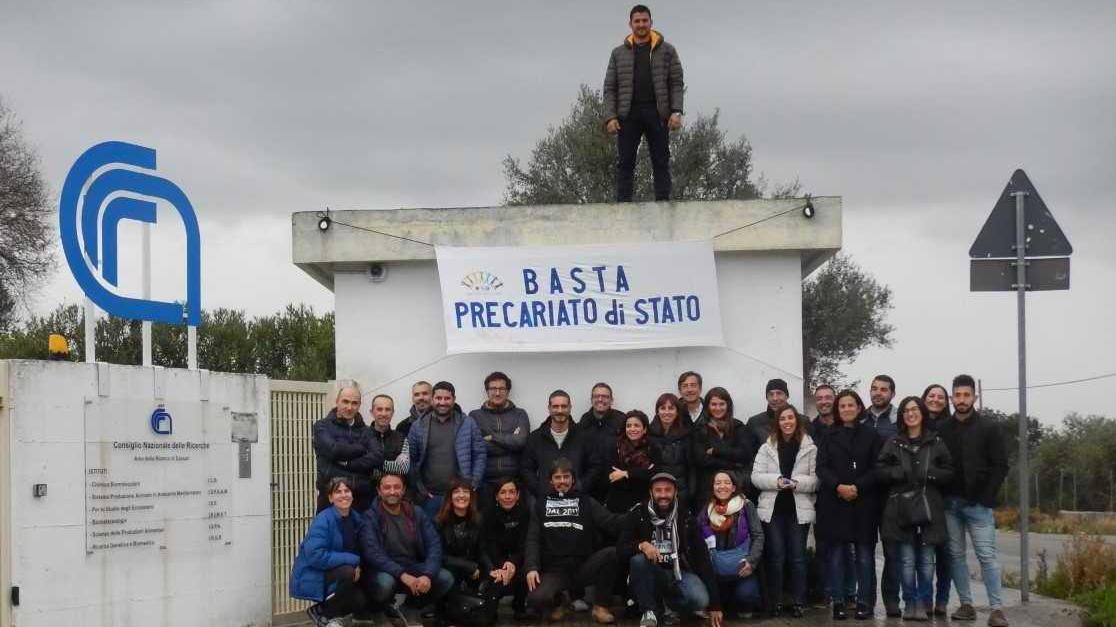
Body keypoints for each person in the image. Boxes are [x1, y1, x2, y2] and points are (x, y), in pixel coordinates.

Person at [938, 375, 1010, 627]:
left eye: (966, 395)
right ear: (951, 398)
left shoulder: (989, 428)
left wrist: (986, 498)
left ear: (974, 397)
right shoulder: (942, 429)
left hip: (978, 505)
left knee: (986, 556)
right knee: (955, 555)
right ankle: (966, 604)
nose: (961, 400)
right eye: (957, 395)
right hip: (950, 505)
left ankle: (997, 609)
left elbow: (1001, 465)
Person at [876, 397, 954, 621]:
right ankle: (909, 602)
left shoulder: (935, 442)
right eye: (906, 410)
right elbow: (879, 470)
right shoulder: (893, 442)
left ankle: (923, 601)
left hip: (929, 508)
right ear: (902, 415)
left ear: (922, 413)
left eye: (915, 409)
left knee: (927, 561)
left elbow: (949, 471)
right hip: (902, 509)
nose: (911, 414)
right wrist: (896, 473)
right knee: (907, 560)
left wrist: (930, 474)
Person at [524, 458, 624, 624]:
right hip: (555, 570)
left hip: (583, 566)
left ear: (573, 479)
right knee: (536, 600)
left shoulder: (587, 501)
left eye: (566, 476)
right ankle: (560, 602)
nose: (562, 481)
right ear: (551, 481)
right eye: (557, 477)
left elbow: (611, 522)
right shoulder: (540, 505)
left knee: (612, 554)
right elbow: (532, 538)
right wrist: (532, 567)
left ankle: (601, 606)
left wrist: (637, 515)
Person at [603, 4, 684, 202]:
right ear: (630, 24)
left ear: (651, 22)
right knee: (625, 162)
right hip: (627, 114)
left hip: (657, 113)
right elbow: (609, 87)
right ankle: (623, 206)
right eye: (637, 21)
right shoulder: (617, 53)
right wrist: (610, 117)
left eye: (644, 20)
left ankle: (663, 205)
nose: (641, 24)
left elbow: (676, 82)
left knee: (661, 160)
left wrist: (676, 111)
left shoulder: (667, 50)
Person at [619, 472, 722, 627]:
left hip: (678, 572)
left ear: (675, 492)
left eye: (668, 490)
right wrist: (641, 545)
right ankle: (650, 611)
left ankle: (668, 607)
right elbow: (620, 549)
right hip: (649, 574)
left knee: (700, 600)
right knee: (638, 560)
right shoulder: (638, 513)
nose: (663, 495)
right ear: (651, 492)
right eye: (658, 490)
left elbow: (703, 559)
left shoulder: (685, 517)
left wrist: (715, 605)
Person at [816, 390, 883, 620]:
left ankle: (864, 602)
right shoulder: (828, 435)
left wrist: (858, 487)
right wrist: (839, 486)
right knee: (835, 554)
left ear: (858, 407)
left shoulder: (871, 435)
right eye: (842, 406)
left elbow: (878, 468)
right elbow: (821, 468)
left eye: (850, 405)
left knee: (864, 555)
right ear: (838, 409)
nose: (846, 409)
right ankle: (838, 602)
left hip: (863, 502)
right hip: (835, 502)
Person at [751, 405, 818, 617]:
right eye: (782, 419)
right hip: (773, 510)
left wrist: (796, 482)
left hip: (799, 511)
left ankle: (799, 601)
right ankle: (775, 601)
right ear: (777, 423)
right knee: (776, 557)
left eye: (790, 418)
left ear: (797, 421)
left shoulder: (810, 447)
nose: (787, 422)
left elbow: (816, 480)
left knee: (798, 558)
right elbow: (756, 477)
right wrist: (776, 481)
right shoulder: (767, 447)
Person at [364, 473, 455, 625]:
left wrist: (427, 574)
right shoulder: (370, 516)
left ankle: (410, 608)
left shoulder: (416, 512)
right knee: (384, 583)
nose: (392, 491)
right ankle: (378, 611)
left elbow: (434, 545)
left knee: (445, 578)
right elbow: (372, 553)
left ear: (404, 490)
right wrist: (402, 575)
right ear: (379, 491)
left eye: (397, 487)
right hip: (383, 570)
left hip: (412, 566)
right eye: (387, 487)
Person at [290, 477, 372, 627]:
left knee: (361, 600)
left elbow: (362, 548)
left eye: (347, 491)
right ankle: (326, 616)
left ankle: (322, 611)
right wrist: (353, 560)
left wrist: (358, 563)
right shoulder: (323, 520)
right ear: (330, 498)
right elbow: (316, 555)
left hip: (338, 569)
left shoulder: (356, 519)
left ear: (352, 495)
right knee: (348, 572)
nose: (343, 495)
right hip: (316, 572)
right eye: (338, 492)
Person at [407, 381, 487, 518]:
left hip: (459, 496)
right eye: (438, 398)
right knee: (431, 536)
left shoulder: (467, 423)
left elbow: (479, 454)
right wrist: (421, 489)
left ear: (454, 399)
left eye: (447, 398)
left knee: (459, 536)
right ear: (432, 399)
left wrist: (473, 484)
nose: (442, 402)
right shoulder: (418, 426)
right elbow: (410, 459)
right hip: (430, 497)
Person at [436, 479, 506, 625]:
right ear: (450, 496)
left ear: (471, 496)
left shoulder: (478, 519)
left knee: (496, 579)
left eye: (466, 492)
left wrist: (492, 569)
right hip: (450, 570)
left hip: (474, 569)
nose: (461, 496)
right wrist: (468, 566)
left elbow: (482, 550)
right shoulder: (439, 521)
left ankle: (485, 615)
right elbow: (438, 556)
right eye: (456, 492)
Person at [697, 471, 764, 618]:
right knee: (708, 598)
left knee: (746, 596)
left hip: (741, 566)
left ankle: (742, 604)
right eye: (718, 483)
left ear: (734, 488)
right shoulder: (707, 509)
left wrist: (751, 562)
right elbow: (696, 539)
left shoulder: (746, 506)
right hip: (715, 569)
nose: (722, 486)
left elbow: (758, 535)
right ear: (712, 487)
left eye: (727, 483)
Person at [312, 383, 383, 512]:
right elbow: (333, 450)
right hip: (330, 501)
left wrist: (347, 463)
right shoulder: (321, 426)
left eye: (354, 403)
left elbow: (378, 457)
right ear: (337, 401)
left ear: (359, 405)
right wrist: (362, 449)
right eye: (345, 401)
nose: (349, 407)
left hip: (362, 501)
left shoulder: (366, 431)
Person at [864, 374, 900, 617]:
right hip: (865, 496)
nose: (878, 393)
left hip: (891, 496)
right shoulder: (860, 418)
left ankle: (891, 601)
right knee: (865, 552)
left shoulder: (899, 421)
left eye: (883, 389)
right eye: (874, 389)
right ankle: (866, 602)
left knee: (892, 552)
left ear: (892, 394)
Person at [470, 371, 530, 502]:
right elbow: (478, 447)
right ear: (487, 391)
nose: (497, 393)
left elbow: (520, 442)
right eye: (493, 389)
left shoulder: (520, 414)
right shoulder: (475, 416)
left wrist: (491, 437)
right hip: (486, 483)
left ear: (508, 391)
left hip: (515, 482)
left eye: (502, 389)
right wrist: (509, 442)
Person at [920, 383, 953, 614]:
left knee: (945, 554)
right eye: (931, 395)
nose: (935, 399)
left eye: (940, 397)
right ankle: (925, 601)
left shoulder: (951, 428)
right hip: (921, 499)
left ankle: (942, 600)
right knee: (924, 554)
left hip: (947, 497)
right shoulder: (917, 425)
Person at [692, 387, 754, 507]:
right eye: (713, 404)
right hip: (707, 490)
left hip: (735, 487)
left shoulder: (738, 427)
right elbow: (701, 460)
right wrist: (734, 463)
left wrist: (715, 451)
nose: (718, 408)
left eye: (722, 404)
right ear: (707, 406)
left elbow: (745, 455)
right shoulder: (699, 430)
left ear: (728, 405)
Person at [482, 478, 533, 620]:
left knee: (525, 571)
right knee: (488, 618)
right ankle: (491, 608)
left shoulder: (525, 512)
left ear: (518, 495)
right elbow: (489, 545)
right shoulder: (488, 513)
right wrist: (502, 567)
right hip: (495, 562)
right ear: (496, 496)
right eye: (503, 492)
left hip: (518, 560)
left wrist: (512, 563)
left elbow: (525, 543)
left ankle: (519, 606)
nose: (508, 496)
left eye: (512, 492)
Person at [522, 390, 588, 499]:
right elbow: (526, 469)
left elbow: (594, 467)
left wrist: (579, 486)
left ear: (570, 407)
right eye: (555, 406)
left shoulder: (584, 437)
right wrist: (540, 489)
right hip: (544, 500)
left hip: (577, 498)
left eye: (564, 406)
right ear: (549, 408)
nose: (560, 410)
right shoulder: (535, 438)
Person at [579, 382, 627, 503]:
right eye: (596, 396)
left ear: (611, 400)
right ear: (591, 399)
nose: (600, 399)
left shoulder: (622, 420)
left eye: (605, 396)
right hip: (590, 486)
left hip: (616, 483)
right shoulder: (584, 422)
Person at [649, 393, 695, 511]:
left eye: (671, 408)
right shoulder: (649, 434)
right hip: (657, 493)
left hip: (682, 493)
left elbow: (692, 467)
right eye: (663, 408)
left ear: (677, 411)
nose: (667, 412)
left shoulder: (686, 434)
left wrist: (691, 492)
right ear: (657, 411)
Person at [604, 410, 656, 513]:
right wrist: (640, 473)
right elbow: (611, 475)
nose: (632, 429)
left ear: (644, 429)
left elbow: (653, 474)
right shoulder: (615, 446)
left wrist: (626, 473)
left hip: (644, 502)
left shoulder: (652, 448)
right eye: (629, 426)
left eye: (637, 425)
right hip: (618, 504)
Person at [369, 394, 411, 485]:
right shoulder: (362, 437)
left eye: (388, 409)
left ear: (393, 412)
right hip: (368, 492)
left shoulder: (401, 438)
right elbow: (359, 466)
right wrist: (393, 465)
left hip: (393, 492)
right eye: (379, 409)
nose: (384, 414)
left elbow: (403, 468)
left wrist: (373, 463)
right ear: (372, 412)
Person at [745, 378, 793, 454]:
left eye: (779, 393)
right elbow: (748, 456)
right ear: (767, 398)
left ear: (786, 396)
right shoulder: (754, 423)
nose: (775, 398)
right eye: (771, 394)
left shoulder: (802, 421)